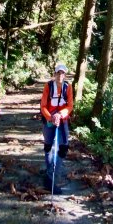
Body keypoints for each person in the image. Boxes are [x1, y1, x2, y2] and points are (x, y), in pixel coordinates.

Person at [40, 62, 73, 194]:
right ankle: (49, 173)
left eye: (63, 73)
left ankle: (52, 176)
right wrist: (51, 117)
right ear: (54, 74)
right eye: (58, 73)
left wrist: (60, 114)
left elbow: (70, 105)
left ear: (65, 75)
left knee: (63, 147)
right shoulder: (48, 86)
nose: (60, 75)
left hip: (62, 119)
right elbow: (43, 105)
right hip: (49, 119)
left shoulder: (68, 87)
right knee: (48, 145)